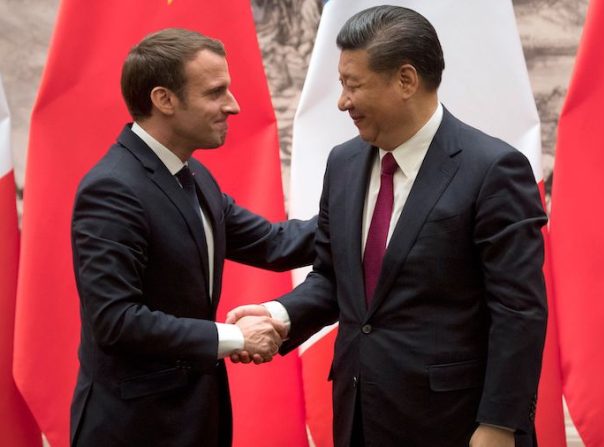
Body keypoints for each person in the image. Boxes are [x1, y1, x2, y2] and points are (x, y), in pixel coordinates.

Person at [227, 6, 548, 447]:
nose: (342, 101)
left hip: (455, 423)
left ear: (405, 81)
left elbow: (518, 312)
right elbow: (335, 276)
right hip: (359, 413)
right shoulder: (343, 163)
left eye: (352, 85)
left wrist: (499, 424)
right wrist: (281, 317)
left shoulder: (492, 169)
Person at [69, 28, 316, 447]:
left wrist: (370, 213)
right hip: (135, 428)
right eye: (215, 92)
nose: (232, 106)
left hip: (197, 418)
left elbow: (275, 244)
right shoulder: (111, 189)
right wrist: (236, 337)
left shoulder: (193, 174)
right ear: (164, 99)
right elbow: (116, 321)